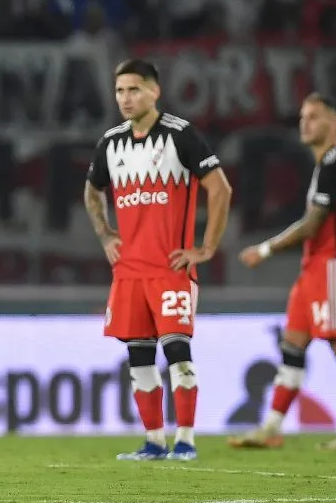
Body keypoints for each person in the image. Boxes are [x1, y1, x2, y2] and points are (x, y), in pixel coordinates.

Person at [84, 59, 233, 462]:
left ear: (155, 92)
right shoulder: (110, 142)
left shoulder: (180, 136)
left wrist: (206, 248)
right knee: (139, 358)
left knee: (177, 354)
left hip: (171, 269)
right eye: (119, 91)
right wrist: (105, 235)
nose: (125, 99)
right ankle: (154, 441)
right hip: (129, 271)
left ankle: (185, 440)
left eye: (134, 89)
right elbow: (92, 190)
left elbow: (220, 189)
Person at [229, 93, 336, 452]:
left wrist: (265, 248)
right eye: (302, 116)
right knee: (292, 346)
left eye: (314, 116)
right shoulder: (333, 165)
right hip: (317, 270)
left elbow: (312, 224)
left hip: (332, 267)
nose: (305, 123)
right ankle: (271, 427)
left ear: (333, 122)